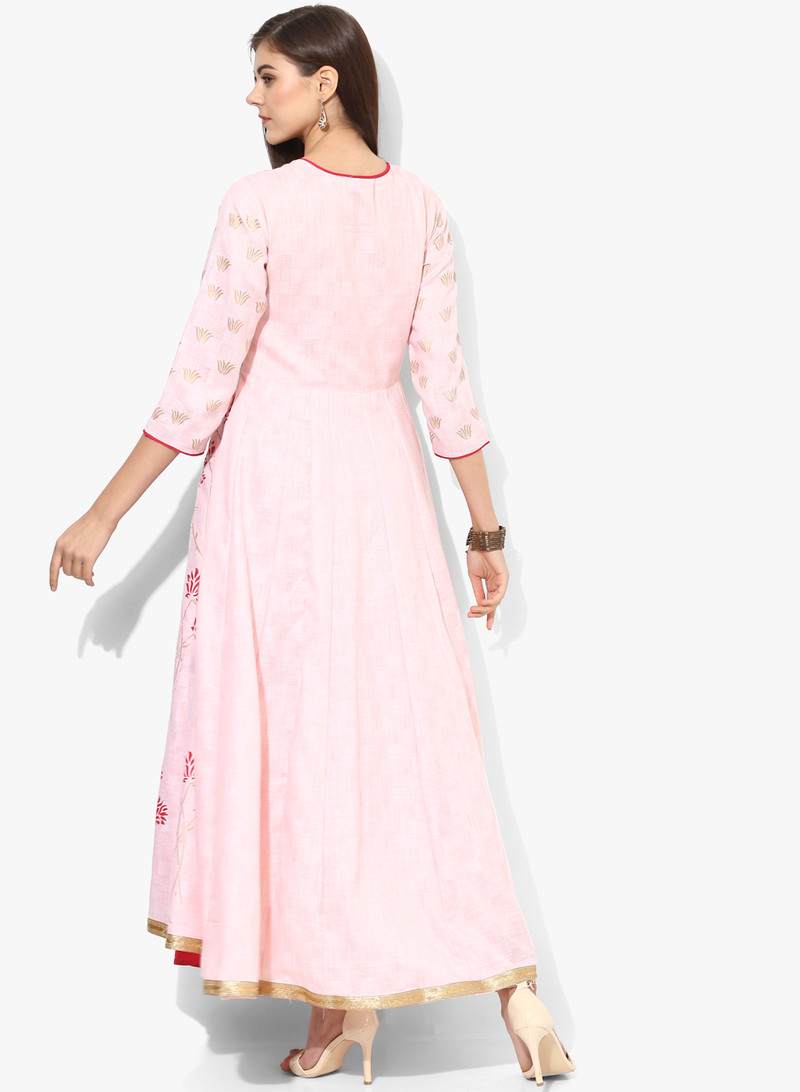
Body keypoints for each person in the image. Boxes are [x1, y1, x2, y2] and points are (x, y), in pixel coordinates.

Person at [49, 5, 575, 1085]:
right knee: (401, 737)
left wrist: (103, 512)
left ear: (326, 83)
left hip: (275, 497)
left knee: (295, 743)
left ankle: (341, 1005)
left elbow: (198, 386)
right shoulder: (420, 207)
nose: (252, 97)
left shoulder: (259, 205)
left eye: (268, 75)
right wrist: (484, 530)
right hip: (384, 492)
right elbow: (446, 390)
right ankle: (490, 995)